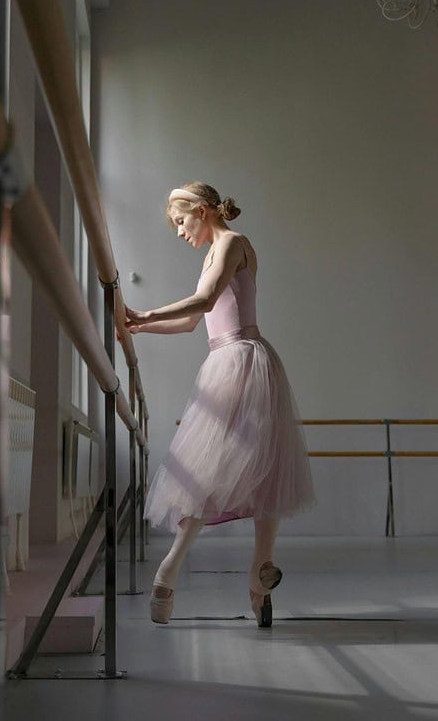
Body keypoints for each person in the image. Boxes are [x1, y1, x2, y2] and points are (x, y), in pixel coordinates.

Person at [125, 182, 314, 627]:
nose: (178, 232)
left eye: (180, 221)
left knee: (256, 466)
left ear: (203, 211)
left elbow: (206, 300)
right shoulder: (212, 254)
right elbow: (194, 321)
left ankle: (257, 570)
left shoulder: (232, 243)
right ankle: (175, 568)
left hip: (244, 361)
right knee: (207, 469)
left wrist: (145, 313)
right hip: (225, 361)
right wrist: (139, 329)